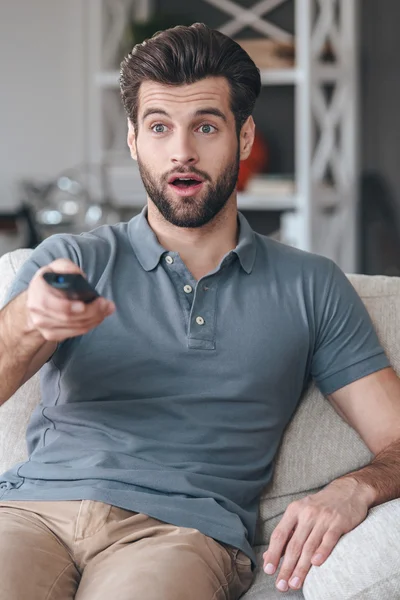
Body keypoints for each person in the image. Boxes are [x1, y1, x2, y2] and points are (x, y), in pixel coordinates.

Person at [0, 22, 399, 600]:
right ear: (135, 140)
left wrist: (356, 487)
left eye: (205, 126)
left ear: (243, 137)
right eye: (159, 127)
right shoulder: (74, 259)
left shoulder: (312, 286)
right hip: (31, 511)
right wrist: (29, 322)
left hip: (178, 532)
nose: (181, 151)